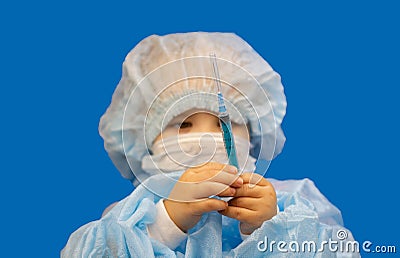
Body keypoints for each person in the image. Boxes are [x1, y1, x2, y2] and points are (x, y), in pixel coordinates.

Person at [62, 32, 359, 257]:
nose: (207, 139)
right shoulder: (130, 217)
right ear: (146, 142)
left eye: (224, 125)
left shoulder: (291, 203)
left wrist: (270, 228)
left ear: (254, 137)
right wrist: (165, 222)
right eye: (183, 125)